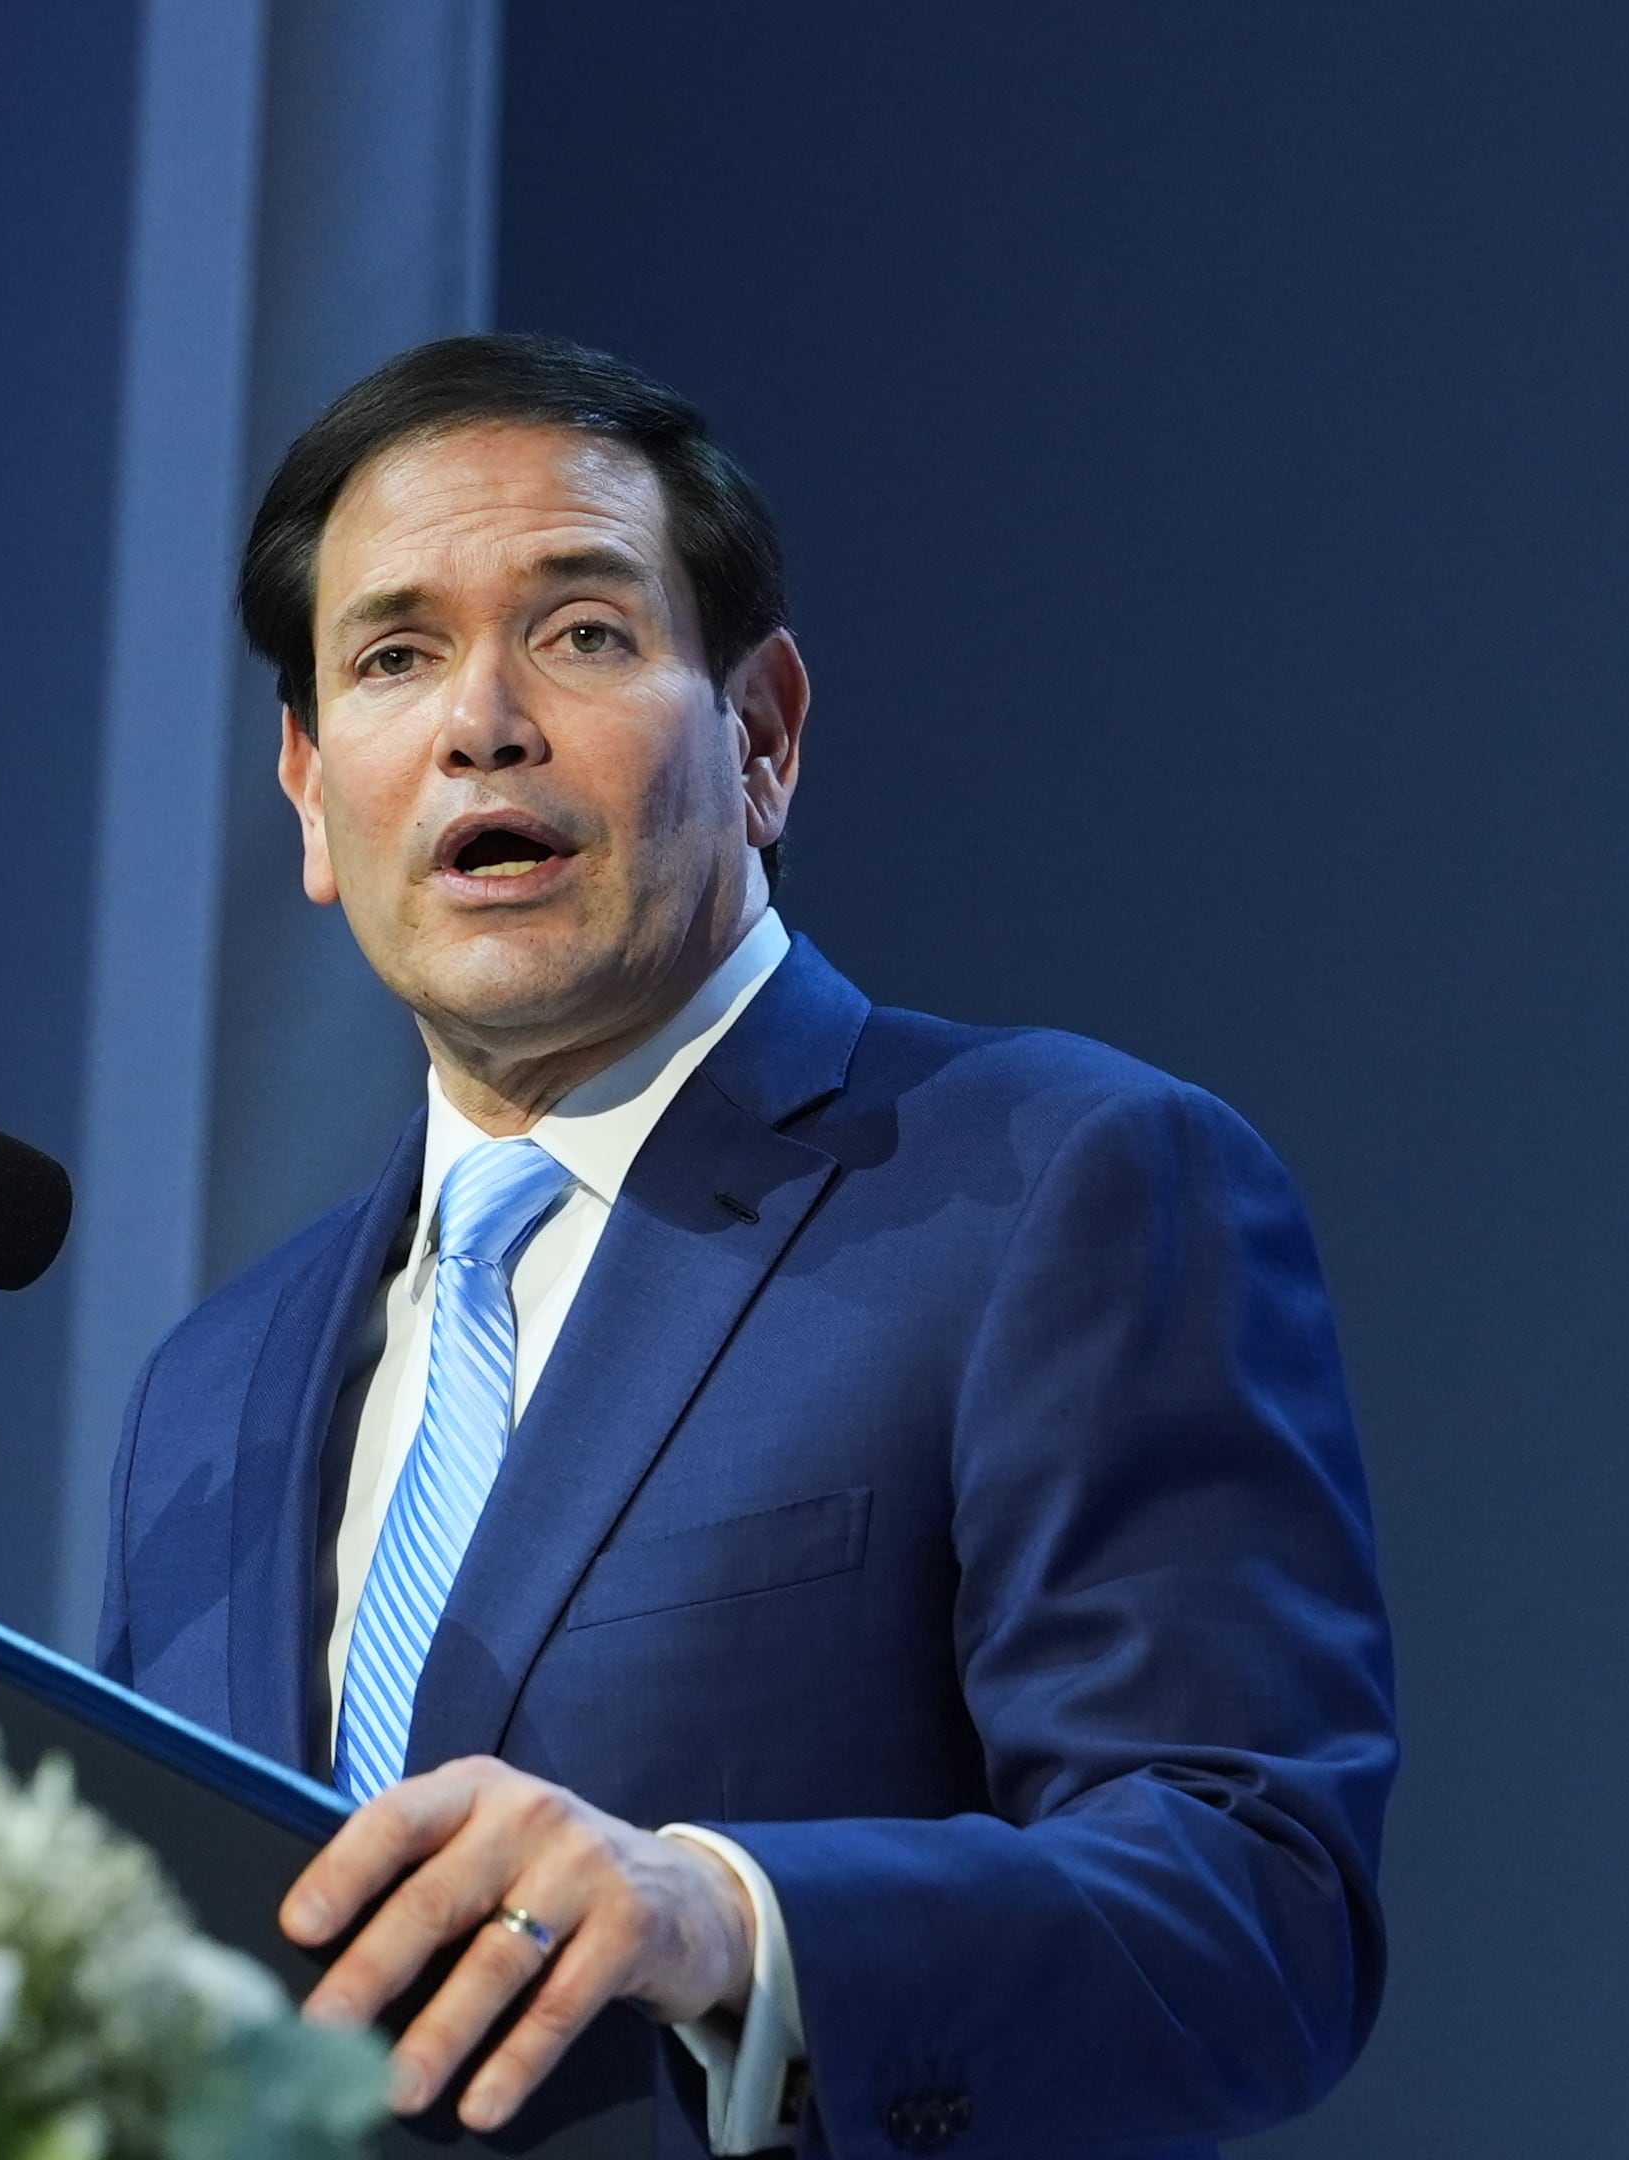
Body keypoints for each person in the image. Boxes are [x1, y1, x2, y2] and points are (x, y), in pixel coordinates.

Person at [92, 335, 1396, 2160]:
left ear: (763, 734)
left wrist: (725, 1917)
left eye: (583, 634)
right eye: (394, 657)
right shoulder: (208, 1386)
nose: (482, 719)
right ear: (312, 791)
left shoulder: (1058, 1182)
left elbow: (1256, 1911)